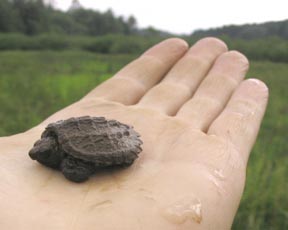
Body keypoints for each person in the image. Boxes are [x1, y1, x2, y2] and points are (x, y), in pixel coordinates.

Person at [0, 37, 268, 229]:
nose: (36, 153)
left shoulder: (65, 153)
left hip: (116, 141)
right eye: (40, 151)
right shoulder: (54, 143)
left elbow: (77, 171)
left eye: (41, 151)